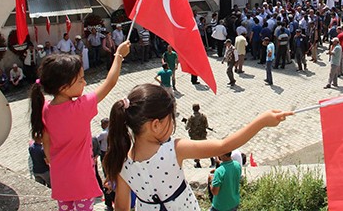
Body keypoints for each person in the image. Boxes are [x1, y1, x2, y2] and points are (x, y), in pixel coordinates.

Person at [103, 84, 292, 211]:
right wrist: (262, 121)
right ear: (156, 125)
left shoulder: (122, 161)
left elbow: (121, 208)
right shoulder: (174, 149)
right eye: (171, 117)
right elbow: (224, 145)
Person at [29, 40, 130, 211]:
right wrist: (119, 55)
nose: (84, 84)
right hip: (80, 179)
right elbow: (110, 82)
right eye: (81, 80)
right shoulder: (80, 107)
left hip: (60, 179)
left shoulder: (45, 108)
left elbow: (47, 144)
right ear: (63, 87)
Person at [184, 104, 214, 169]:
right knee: (207, 147)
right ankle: (212, 159)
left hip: (195, 137)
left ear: (193, 109)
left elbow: (186, 127)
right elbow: (206, 125)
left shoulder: (191, 118)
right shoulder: (203, 116)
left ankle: (198, 163)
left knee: (195, 150)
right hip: (202, 135)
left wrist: (186, 122)